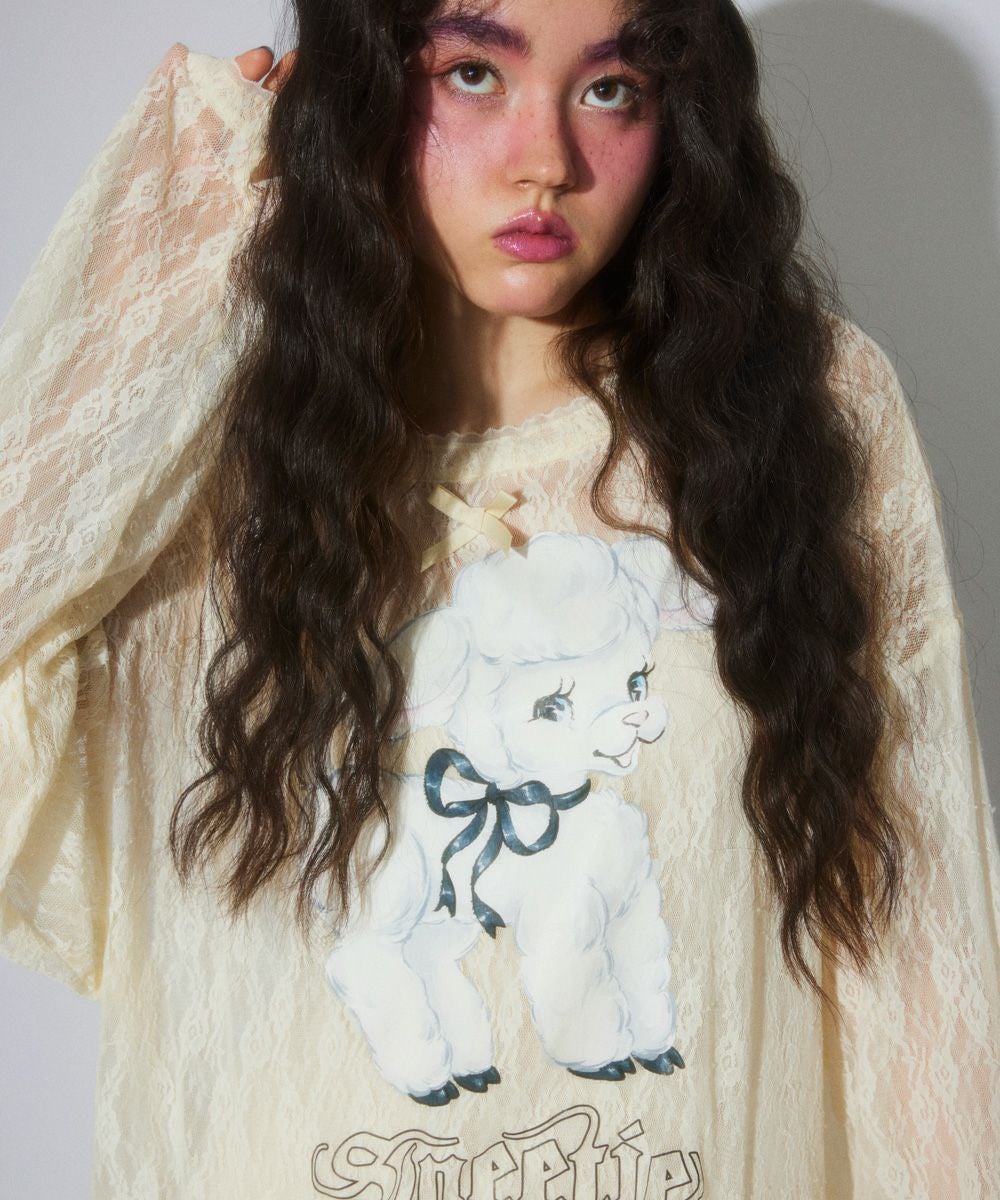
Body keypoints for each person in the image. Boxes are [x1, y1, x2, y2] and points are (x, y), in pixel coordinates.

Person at [1, 1, 998, 1196]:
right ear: (366, 86)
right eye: (473, 73)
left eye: (611, 89)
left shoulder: (794, 416)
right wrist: (155, 271)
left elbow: (911, 932)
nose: (546, 162)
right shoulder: (212, 441)